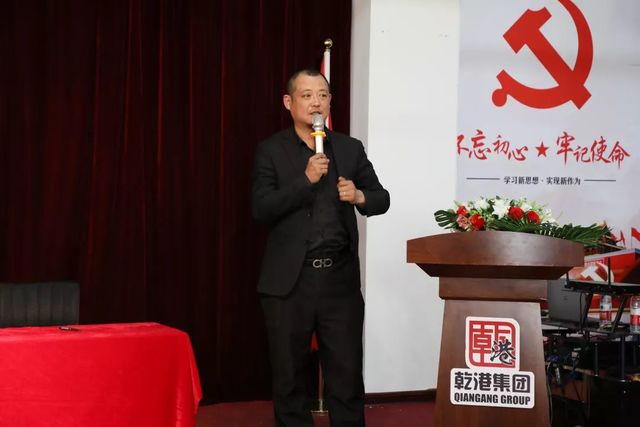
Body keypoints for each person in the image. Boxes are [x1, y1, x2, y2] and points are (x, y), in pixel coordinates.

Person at [252, 68, 390, 427]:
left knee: (346, 376)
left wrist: (359, 196)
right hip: (289, 282)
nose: (316, 102)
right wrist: (305, 180)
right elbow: (261, 208)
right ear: (289, 102)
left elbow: (382, 198)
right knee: (289, 379)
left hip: (339, 280)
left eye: (323, 95)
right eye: (307, 95)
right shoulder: (271, 150)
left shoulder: (349, 148)